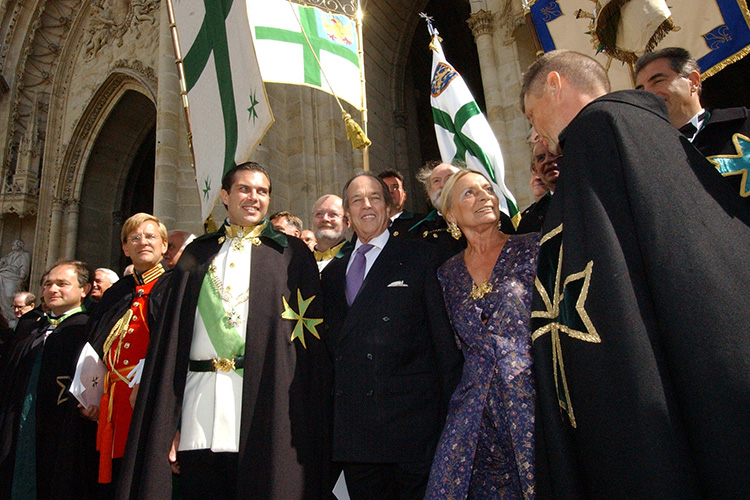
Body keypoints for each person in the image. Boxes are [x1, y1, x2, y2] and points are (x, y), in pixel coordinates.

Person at [521, 49, 750, 498]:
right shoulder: (650, 131)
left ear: (555, 84)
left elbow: (602, 279)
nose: (535, 129)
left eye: (531, 112)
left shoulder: (597, 131)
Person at [116, 162, 332, 500]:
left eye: (262, 191)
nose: (254, 198)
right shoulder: (197, 253)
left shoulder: (291, 255)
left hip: (264, 405)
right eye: (244, 189)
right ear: (224, 196)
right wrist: (171, 421)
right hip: (199, 405)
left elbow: (308, 348)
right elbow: (172, 341)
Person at [320, 172, 463, 500]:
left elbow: (444, 346)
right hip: (357, 438)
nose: (366, 205)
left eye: (374, 198)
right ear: (347, 213)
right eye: (357, 200)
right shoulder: (330, 275)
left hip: (413, 432)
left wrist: (451, 421)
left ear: (388, 208)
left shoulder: (421, 258)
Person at [425, 169, 538, 499]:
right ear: (451, 215)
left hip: (532, 406)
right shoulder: (447, 274)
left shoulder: (533, 247)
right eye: (469, 193)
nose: (485, 196)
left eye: (487, 189)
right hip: (474, 417)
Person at [82, 213, 172, 493]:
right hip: (111, 401)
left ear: (164, 246)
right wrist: (89, 392)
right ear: (125, 249)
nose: (142, 242)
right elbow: (97, 342)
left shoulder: (174, 285)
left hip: (149, 397)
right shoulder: (117, 292)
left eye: (150, 236)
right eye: (134, 238)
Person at [0, 260, 98, 499]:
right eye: (47, 284)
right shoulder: (32, 329)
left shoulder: (91, 328)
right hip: (22, 425)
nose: (52, 289)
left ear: (84, 290)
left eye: (62, 284)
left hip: (67, 430)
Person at [635, 47, 750, 202]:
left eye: (657, 81)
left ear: (693, 82)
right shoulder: (647, 158)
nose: (648, 94)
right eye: (641, 90)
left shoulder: (743, 123)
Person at [409, 161, 467, 264]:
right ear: (429, 192)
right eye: (436, 181)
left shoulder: (488, 220)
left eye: (449, 178)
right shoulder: (416, 234)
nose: (443, 185)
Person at [516, 141, 559, 234]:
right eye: (540, 158)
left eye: (553, 154)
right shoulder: (530, 221)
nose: (547, 160)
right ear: (535, 170)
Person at [377, 169, 423, 237]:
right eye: (385, 188)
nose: (390, 191)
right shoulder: (370, 226)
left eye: (395, 187)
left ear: (404, 195)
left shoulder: (419, 223)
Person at [311, 194, 350, 272]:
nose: (325, 219)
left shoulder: (355, 257)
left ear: (347, 223)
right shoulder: (302, 260)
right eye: (319, 214)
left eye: (333, 214)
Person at [0, 239, 31, 324]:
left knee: (10, 295)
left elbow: (24, 267)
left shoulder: (25, 254)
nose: (14, 245)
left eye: (16, 244)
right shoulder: (10, 254)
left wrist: (22, 277)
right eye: (13, 244)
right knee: (2, 297)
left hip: (14, 278)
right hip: (4, 275)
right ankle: (5, 316)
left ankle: (13, 317)